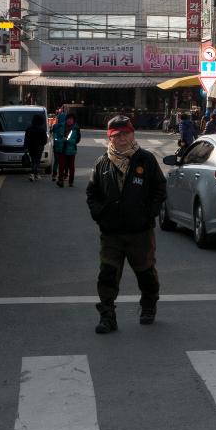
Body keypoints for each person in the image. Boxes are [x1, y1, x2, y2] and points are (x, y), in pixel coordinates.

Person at [86, 115, 166, 334]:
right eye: (116, 135)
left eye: (125, 134)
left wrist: (150, 212)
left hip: (140, 231)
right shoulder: (102, 162)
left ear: (132, 134)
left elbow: (159, 188)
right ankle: (107, 316)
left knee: (145, 272)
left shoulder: (146, 160)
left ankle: (149, 305)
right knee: (107, 274)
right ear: (110, 138)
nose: (121, 139)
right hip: (111, 232)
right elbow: (92, 193)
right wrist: (99, 214)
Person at [23, 112, 48, 182]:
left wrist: (25, 147)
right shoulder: (42, 129)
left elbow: (26, 139)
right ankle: (32, 173)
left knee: (33, 160)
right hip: (39, 147)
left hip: (31, 147)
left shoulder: (29, 129)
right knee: (37, 161)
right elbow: (44, 140)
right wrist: (42, 144)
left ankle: (35, 174)